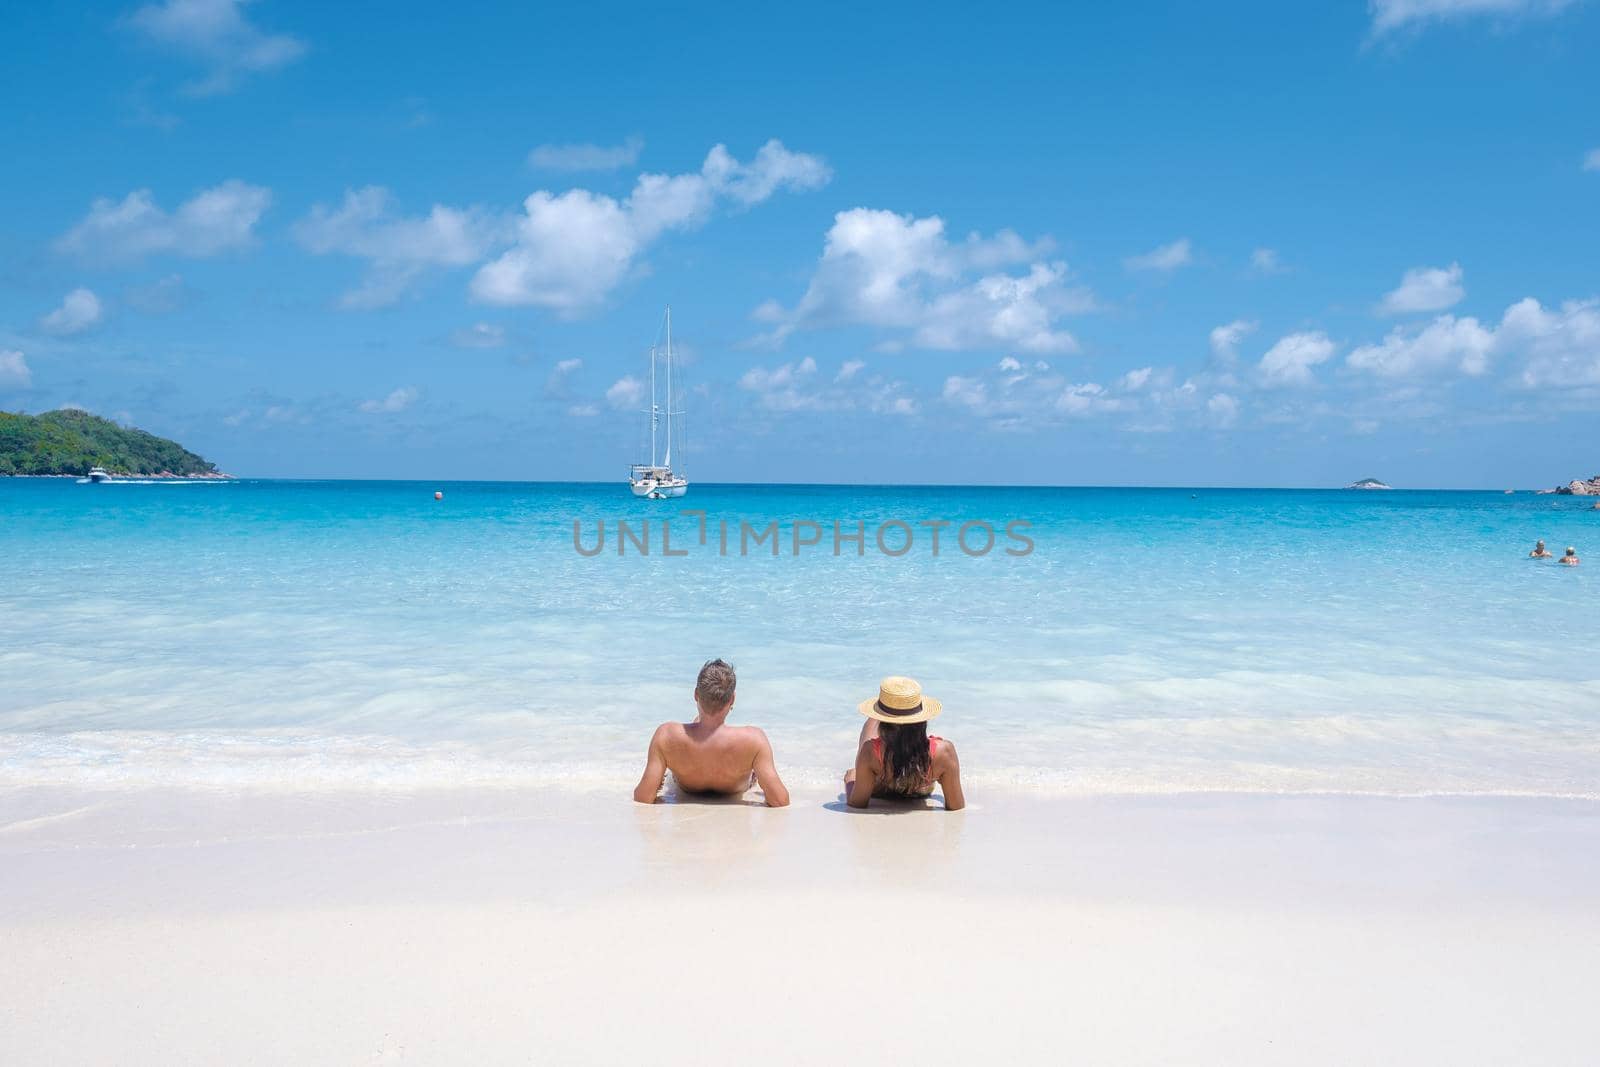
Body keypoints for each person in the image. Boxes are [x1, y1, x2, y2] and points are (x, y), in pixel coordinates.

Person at [633, 659, 790, 806]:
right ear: (732, 700)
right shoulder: (754, 740)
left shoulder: (666, 736)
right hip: (734, 791)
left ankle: (700, 726)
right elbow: (780, 800)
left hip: (688, 789)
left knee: (697, 724)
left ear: (696, 695)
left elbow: (643, 797)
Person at [844, 676, 964, 810]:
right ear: (921, 719)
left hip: (881, 790)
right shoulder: (945, 752)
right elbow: (956, 807)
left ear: (884, 724)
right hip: (920, 789)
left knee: (872, 721)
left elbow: (857, 803)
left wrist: (850, 780)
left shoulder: (870, 752)